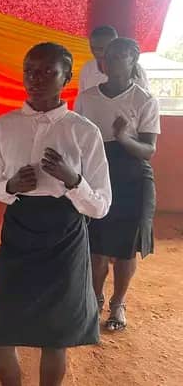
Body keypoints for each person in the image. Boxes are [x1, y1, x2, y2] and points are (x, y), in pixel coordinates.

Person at [0, 43, 112, 386]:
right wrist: (10, 186)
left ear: (66, 78)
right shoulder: (3, 126)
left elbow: (100, 206)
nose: (35, 79)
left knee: (55, 336)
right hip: (19, 232)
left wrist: (73, 181)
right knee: (1, 331)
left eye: (47, 72)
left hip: (64, 235)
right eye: (29, 71)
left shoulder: (84, 131)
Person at [75, 37, 159, 332]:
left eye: (118, 55)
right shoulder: (87, 98)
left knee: (125, 250)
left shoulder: (144, 100)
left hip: (133, 178)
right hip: (97, 176)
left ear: (133, 60)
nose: (110, 60)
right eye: (107, 55)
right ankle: (95, 299)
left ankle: (117, 304)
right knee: (96, 247)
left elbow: (148, 150)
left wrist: (123, 137)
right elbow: (76, 141)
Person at [79, 26, 150, 93]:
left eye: (104, 48)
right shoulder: (87, 68)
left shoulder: (135, 70)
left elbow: (144, 99)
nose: (98, 53)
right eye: (93, 48)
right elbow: (82, 97)